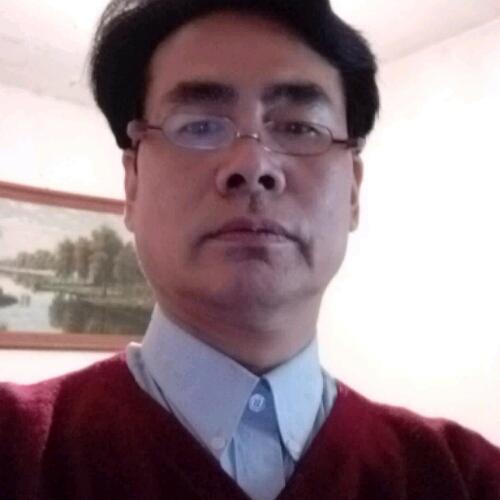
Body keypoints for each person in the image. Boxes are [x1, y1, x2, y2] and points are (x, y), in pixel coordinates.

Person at [1, 0, 499, 498]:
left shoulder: (465, 477)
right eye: (199, 125)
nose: (253, 164)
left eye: (300, 127)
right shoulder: (17, 448)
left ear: (353, 190)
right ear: (132, 184)